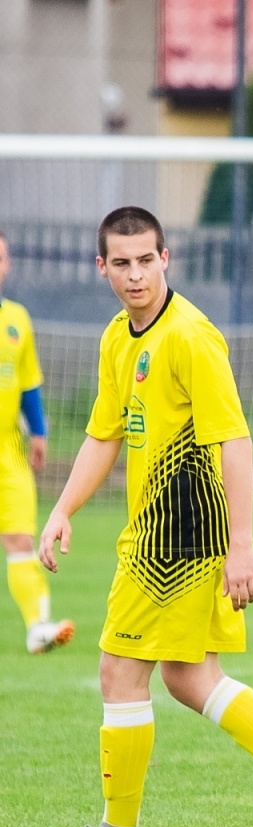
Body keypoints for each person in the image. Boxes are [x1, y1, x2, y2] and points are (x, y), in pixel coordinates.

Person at [37, 206, 253, 827]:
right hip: (155, 534)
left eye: (146, 260)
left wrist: (242, 543)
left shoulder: (190, 335)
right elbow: (105, 433)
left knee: (119, 672)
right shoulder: (116, 338)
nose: (136, 275)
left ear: (168, 258)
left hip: (178, 541)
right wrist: (62, 507)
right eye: (121, 263)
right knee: (189, 678)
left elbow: (234, 440)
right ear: (101, 267)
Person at [0, 228, 73, 653]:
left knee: (20, 541)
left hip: (8, 449)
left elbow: (28, 383)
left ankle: (37, 627)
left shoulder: (17, 319)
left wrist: (40, 431)